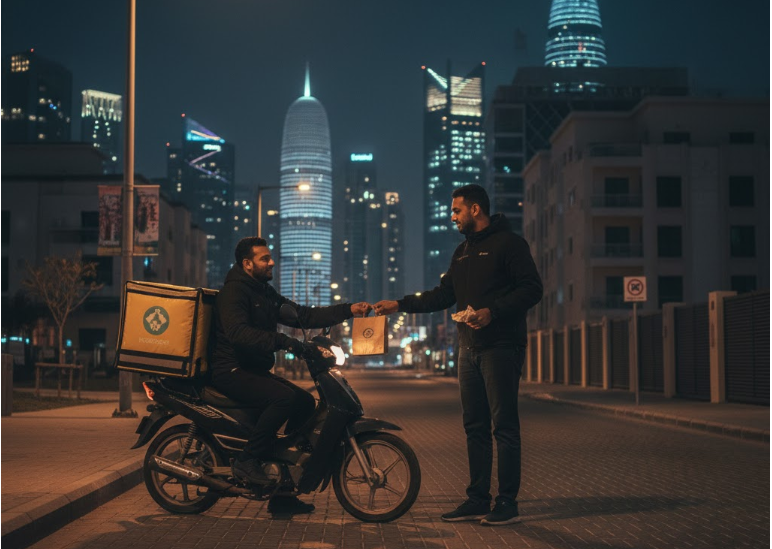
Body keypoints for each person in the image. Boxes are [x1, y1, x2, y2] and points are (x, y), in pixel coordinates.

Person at [373, 184, 542, 526]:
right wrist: (400, 305)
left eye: (456, 211)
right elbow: (442, 295)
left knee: (504, 427)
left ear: (475, 210)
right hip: (469, 348)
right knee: (474, 426)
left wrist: (492, 311)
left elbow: (532, 288)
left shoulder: (509, 244)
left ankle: (507, 503)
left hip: (501, 346)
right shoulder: (462, 251)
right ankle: (478, 499)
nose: (452, 217)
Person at [212, 236, 371, 516]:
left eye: (270, 256)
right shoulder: (234, 293)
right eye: (265, 258)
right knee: (283, 399)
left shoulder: (263, 292)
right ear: (247, 264)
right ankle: (247, 460)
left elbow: (304, 316)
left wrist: (348, 310)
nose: (271, 262)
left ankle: (282, 493)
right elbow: (238, 333)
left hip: (253, 370)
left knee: (304, 402)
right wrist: (285, 342)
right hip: (230, 369)